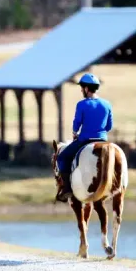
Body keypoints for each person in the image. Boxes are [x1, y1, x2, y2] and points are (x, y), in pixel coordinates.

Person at [55, 72, 113, 202]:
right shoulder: (107, 104)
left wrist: (75, 132)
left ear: (86, 89)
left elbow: (77, 123)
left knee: (62, 157)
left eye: (82, 88)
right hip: (103, 139)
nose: (81, 90)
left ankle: (67, 189)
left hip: (85, 139)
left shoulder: (82, 104)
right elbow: (109, 126)